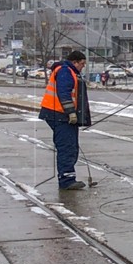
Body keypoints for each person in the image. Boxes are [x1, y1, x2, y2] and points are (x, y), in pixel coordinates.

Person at [38, 50, 92, 190]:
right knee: (67, 147)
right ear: (75, 62)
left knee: (70, 146)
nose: (83, 67)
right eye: (82, 64)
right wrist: (71, 113)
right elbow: (64, 93)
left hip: (58, 114)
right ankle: (66, 181)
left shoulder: (68, 71)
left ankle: (67, 177)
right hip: (59, 115)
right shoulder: (65, 71)